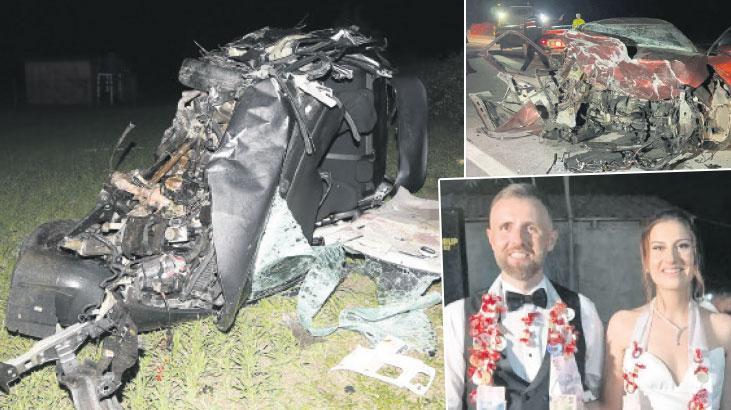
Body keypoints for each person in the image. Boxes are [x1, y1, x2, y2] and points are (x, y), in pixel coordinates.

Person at [444, 183, 604, 409]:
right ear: (491, 239)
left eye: (530, 228)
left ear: (551, 239)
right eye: (505, 227)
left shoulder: (584, 310)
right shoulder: (456, 316)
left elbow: (593, 397)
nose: (518, 240)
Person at [602, 210, 731, 409]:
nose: (671, 258)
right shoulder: (622, 325)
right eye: (658, 248)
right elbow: (610, 407)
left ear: (695, 257)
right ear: (646, 261)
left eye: (682, 246)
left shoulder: (724, 329)